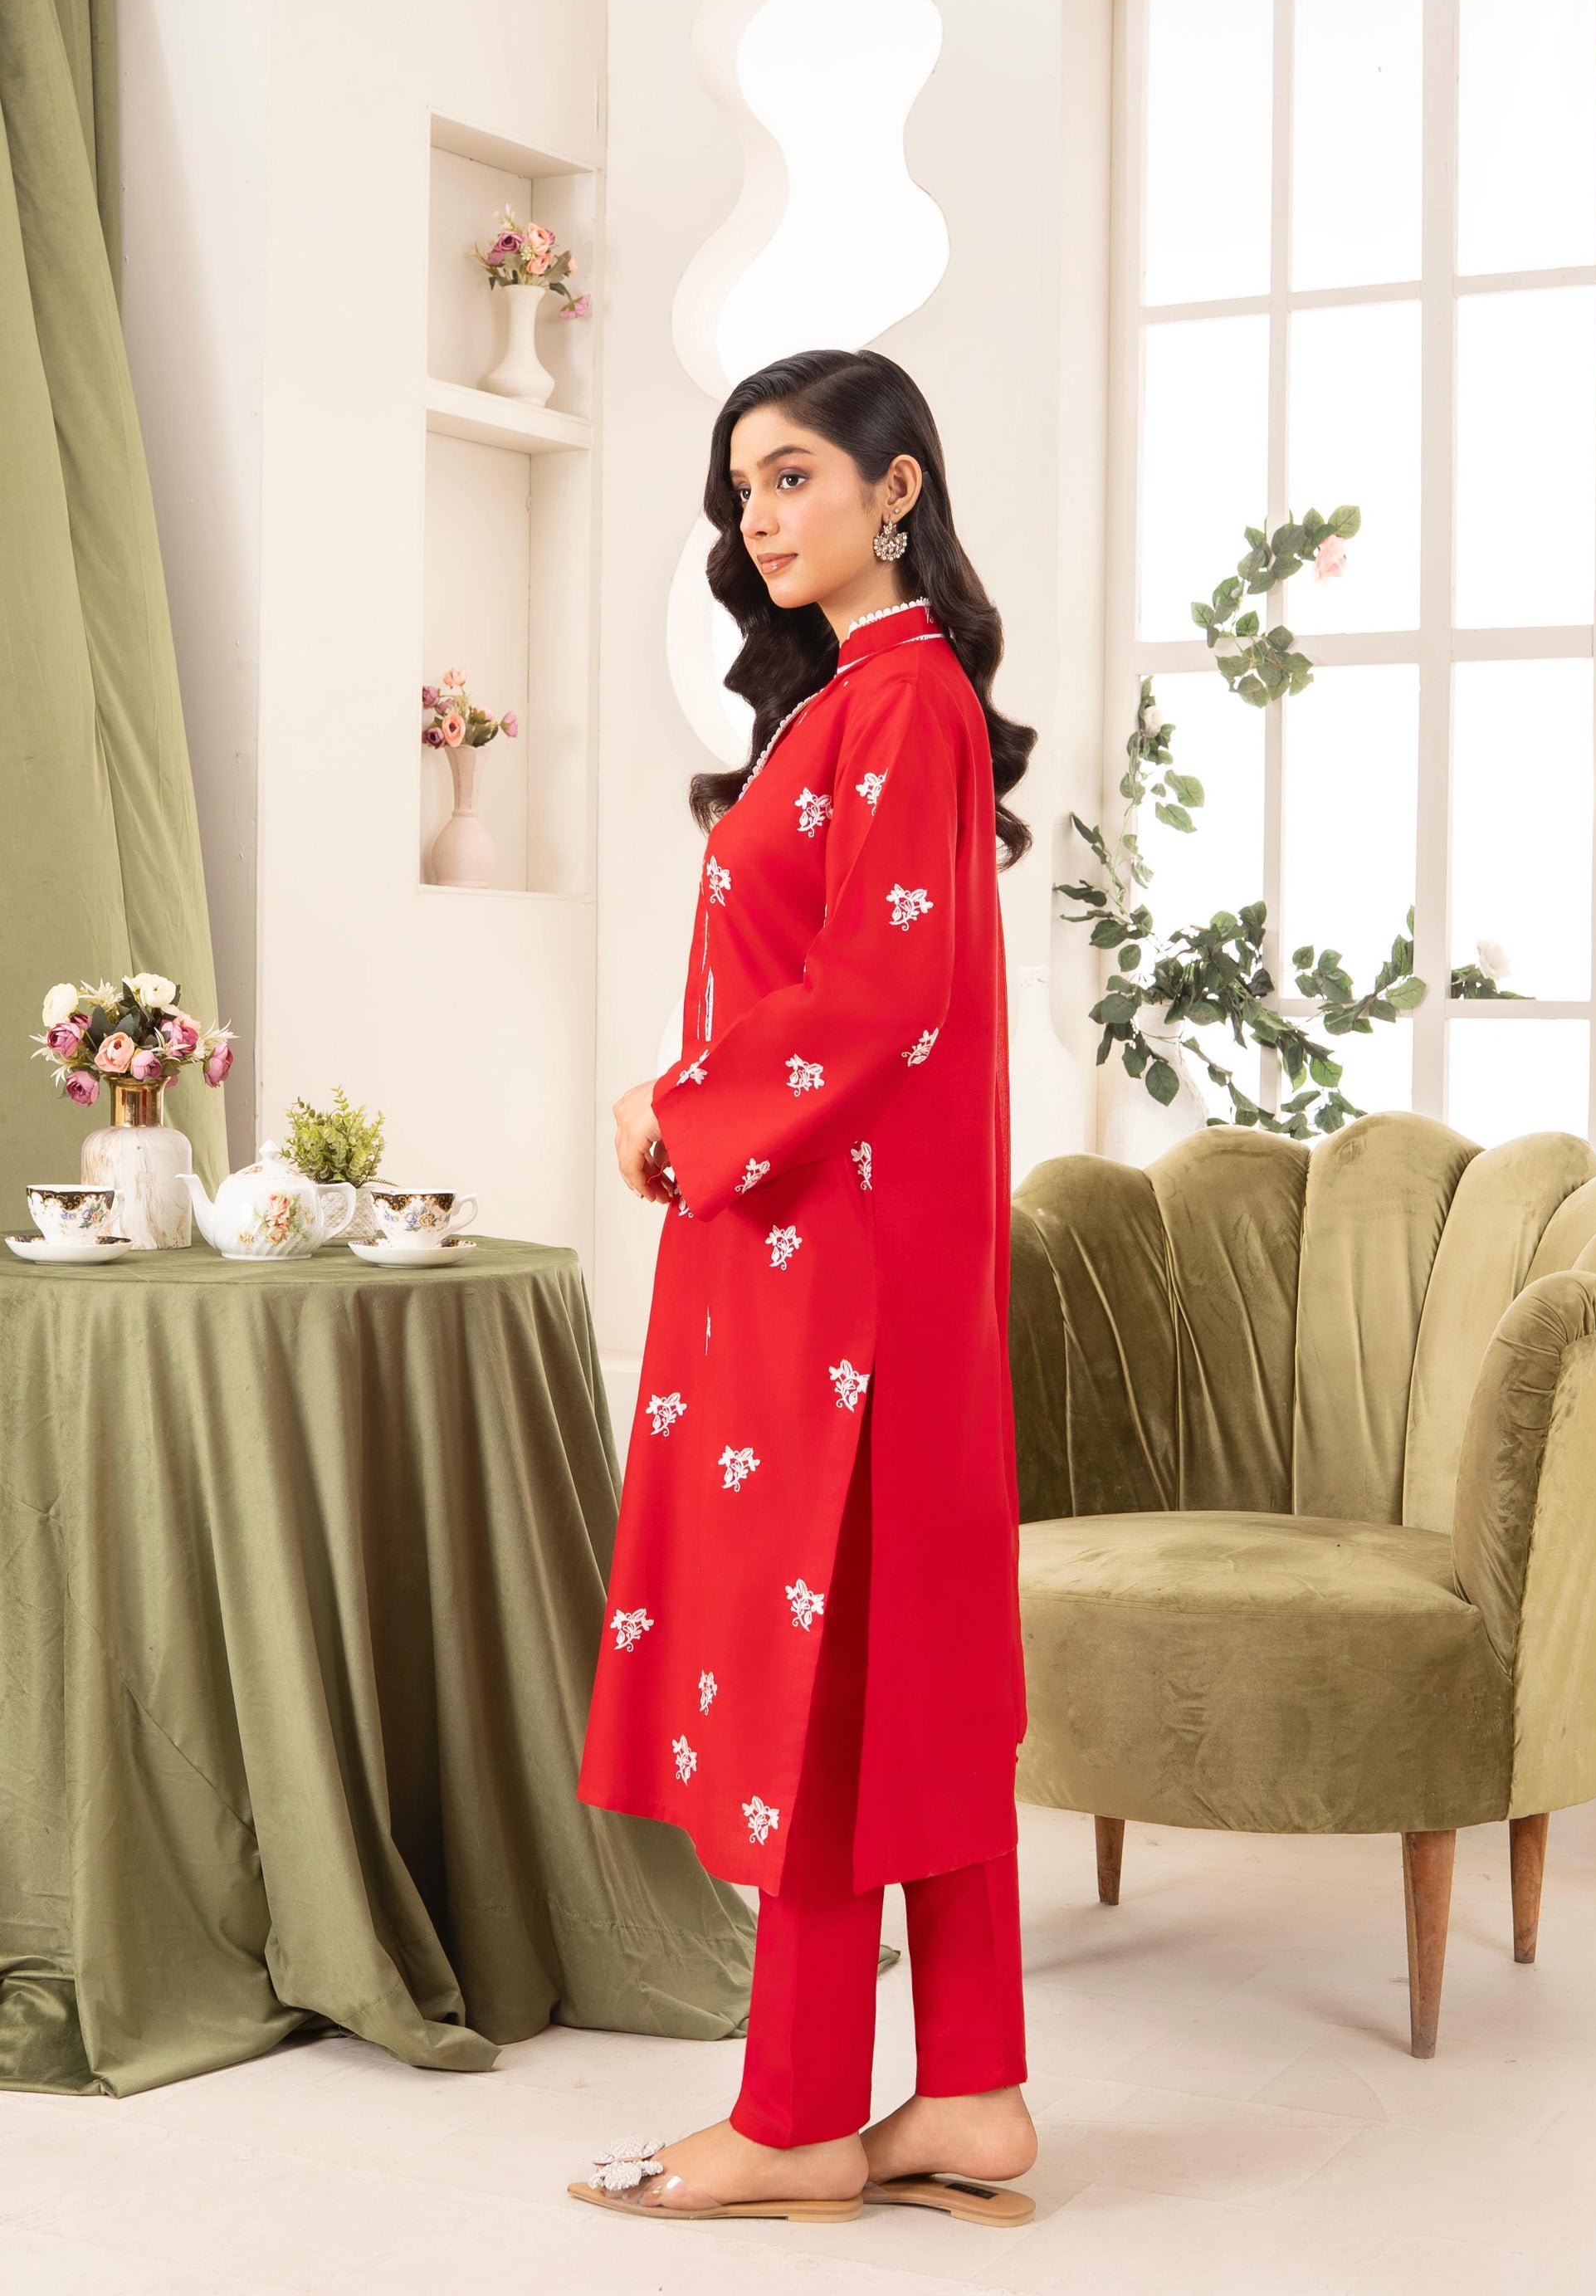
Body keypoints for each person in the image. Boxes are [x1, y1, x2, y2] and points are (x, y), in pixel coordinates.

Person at [572, 346, 1038, 2227]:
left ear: (893, 486)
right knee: (899, 1659)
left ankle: (797, 2114)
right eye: (742, 488)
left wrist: (674, 1107)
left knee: (829, 1666)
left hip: (834, 1268)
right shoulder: (848, 702)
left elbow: (878, 995)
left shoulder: (900, 701)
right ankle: (972, 2093)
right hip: (828, 1251)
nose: (759, 517)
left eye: (792, 477)